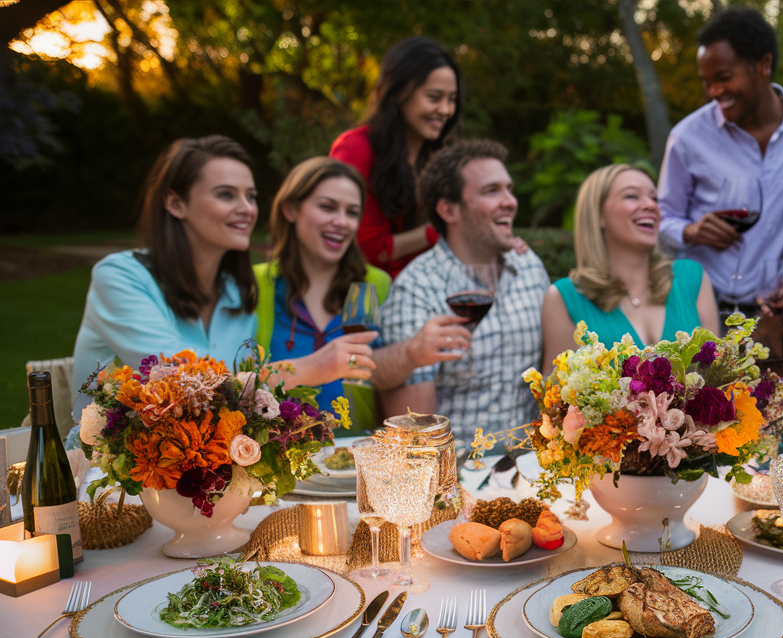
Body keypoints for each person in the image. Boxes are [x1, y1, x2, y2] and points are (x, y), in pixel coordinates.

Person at [72, 136, 372, 394]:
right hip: (106, 460)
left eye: (251, 196)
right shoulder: (120, 278)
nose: (247, 209)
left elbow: (242, 401)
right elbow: (184, 383)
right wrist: (308, 367)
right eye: (227, 195)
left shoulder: (238, 294)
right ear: (176, 204)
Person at [657, 5, 783, 315]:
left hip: (775, 315)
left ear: (763, 65)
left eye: (724, 77)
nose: (713, 91)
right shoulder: (686, 137)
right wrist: (690, 232)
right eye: (706, 82)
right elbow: (661, 218)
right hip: (698, 311)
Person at [377, 139, 549, 440]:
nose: (510, 201)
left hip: (531, 465)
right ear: (448, 210)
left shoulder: (529, 266)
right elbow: (418, 434)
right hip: (461, 470)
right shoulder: (417, 286)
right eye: (491, 190)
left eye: (509, 189)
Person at [253, 157, 388, 434]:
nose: (342, 222)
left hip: (354, 461)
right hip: (277, 461)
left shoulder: (377, 284)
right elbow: (238, 385)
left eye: (352, 213)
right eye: (327, 207)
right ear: (291, 209)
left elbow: (391, 378)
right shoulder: (255, 284)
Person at [541, 164, 718, 368]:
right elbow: (555, 394)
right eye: (632, 196)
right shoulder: (564, 298)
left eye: (654, 198)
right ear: (597, 214)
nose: (651, 205)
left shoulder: (691, 278)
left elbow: (718, 377)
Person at [330, 36, 461, 278]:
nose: (445, 110)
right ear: (398, 92)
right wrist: (437, 230)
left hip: (427, 291)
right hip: (364, 295)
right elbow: (366, 249)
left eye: (451, 99)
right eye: (434, 97)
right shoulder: (356, 149)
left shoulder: (439, 158)